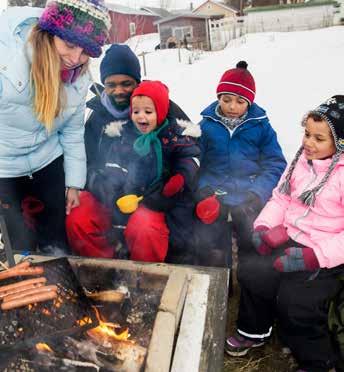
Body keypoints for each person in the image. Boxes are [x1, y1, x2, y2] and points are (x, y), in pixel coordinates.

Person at [226, 96, 344, 372]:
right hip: (292, 238)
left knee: (295, 302)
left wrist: (315, 256)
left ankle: (319, 362)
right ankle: (255, 331)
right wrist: (263, 227)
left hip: (326, 254)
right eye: (306, 134)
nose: (308, 143)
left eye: (319, 138)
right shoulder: (301, 162)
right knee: (253, 271)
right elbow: (281, 199)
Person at [0, 1, 110, 253]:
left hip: (48, 163)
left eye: (85, 52)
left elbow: (71, 134)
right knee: (17, 249)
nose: (74, 59)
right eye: (69, 44)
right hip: (4, 169)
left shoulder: (79, 77)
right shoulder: (6, 60)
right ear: (48, 33)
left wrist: (73, 183)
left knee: (56, 243)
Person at [66, 44, 190, 258]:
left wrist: (167, 187)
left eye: (126, 83)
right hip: (109, 197)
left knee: (145, 228)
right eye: (111, 84)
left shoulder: (162, 107)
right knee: (78, 216)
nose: (119, 90)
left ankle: (145, 279)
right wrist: (99, 184)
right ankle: (102, 272)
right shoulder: (98, 116)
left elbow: (189, 151)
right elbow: (85, 160)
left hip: (150, 199)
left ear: (137, 82)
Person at [82, 80, 201, 262]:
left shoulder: (175, 136)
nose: (141, 117)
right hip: (133, 198)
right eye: (136, 111)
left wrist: (178, 179)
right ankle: (111, 267)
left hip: (166, 200)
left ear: (160, 113)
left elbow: (190, 158)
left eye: (148, 112)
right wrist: (117, 191)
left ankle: (153, 272)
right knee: (129, 222)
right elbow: (114, 167)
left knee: (153, 227)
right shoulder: (123, 136)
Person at [194, 61, 286, 267]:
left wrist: (257, 193)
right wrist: (202, 187)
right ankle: (219, 286)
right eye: (226, 100)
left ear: (250, 103)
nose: (232, 106)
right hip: (214, 196)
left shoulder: (261, 126)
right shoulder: (206, 126)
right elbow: (194, 161)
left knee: (251, 245)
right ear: (218, 98)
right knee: (210, 245)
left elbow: (275, 164)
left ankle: (247, 284)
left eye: (240, 101)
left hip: (248, 197)